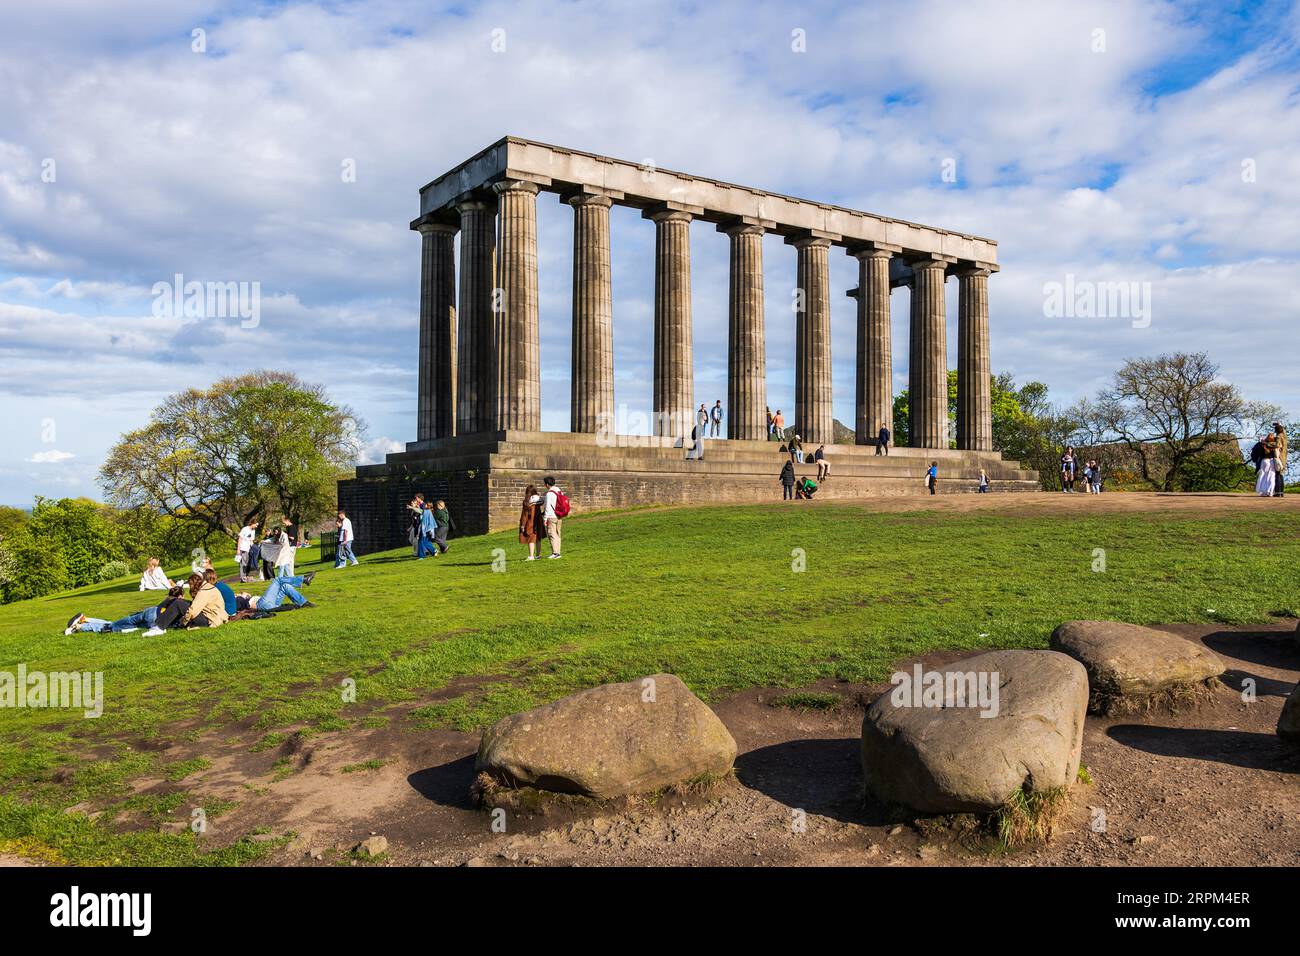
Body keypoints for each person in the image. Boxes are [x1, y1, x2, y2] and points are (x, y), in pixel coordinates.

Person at [65, 586, 188, 635]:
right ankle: (81, 626)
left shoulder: (167, 599)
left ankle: (84, 621)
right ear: (181, 595)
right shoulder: (178, 602)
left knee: (114, 624)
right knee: (113, 626)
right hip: (155, 620)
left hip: (150, 613)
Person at [238, 571, 317, 612]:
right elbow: (240, 606)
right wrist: (242, 597)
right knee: (277, 580)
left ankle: (304, 603)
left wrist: (245, 595)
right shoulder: (234, 601)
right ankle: (303, 579)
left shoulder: (235, 598)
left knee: (285, 586)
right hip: (262, 605)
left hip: (271, 603)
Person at [543, 476, 565, 559]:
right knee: (558, 534)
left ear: (547, 484)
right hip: (559, 515)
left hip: (551, 516)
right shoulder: (559, 491)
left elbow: (547, 507)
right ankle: (558, 552)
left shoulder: (549, 493)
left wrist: (545, 519)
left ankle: (555, 553)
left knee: (552, 534)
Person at [1273, 423, 1288, 497]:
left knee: (1278, 474)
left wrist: (1267, 443)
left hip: (1279, 457)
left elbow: (1278, 446)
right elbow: (1284, 431)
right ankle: (1281, 492)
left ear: (1276, 430)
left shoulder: (1279, 436)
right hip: (1284, 457)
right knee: (1281, 475)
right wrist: (1279, 424)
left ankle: (1277, 492)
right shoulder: (1284, 436)